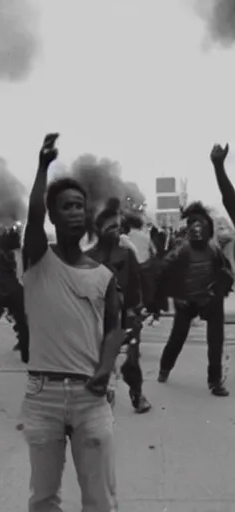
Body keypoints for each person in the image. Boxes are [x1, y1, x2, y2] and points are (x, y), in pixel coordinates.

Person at [21, 133, 123, 512]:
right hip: (43, 395)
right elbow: (32, 216)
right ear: (53, 215)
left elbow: (115, 328)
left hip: (90, 398)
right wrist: (43, 166)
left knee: (99, 499)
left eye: (80, 206)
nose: (76, 212)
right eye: (66, 206)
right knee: (44, 498)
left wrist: (105, 368)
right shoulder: (38, 262)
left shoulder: (103, 276)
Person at [152, 200, 232, 397]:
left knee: (216, 341)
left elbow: (226, 273)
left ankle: (215, 382)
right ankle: (164, 369)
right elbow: (163, 273)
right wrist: (175, 296)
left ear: (208, 228)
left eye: (201, 225)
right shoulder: (181, 252)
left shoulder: (214, 250)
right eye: (193, 224)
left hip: (210, 299)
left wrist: (219, 288)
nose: (197, 229)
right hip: (186, 301)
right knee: (177, 337)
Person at [86, 199, 152, 414]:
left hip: (126, 315)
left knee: (131, 359)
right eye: (110, 227)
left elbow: (135, 285)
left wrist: (136, 311)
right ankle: (104, 392)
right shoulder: (89, 258)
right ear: (99, 230)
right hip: (99, 317)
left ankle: (137, 394)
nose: (115, 231)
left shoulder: (126, 254)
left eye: (117, 226)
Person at [0, 226, 29, 362]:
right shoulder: (18, 254)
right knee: (22, 321)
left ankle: (25, 347)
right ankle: (25, 350)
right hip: (15, 290)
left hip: (9, 290)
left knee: (22, 321)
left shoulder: (7, 255)